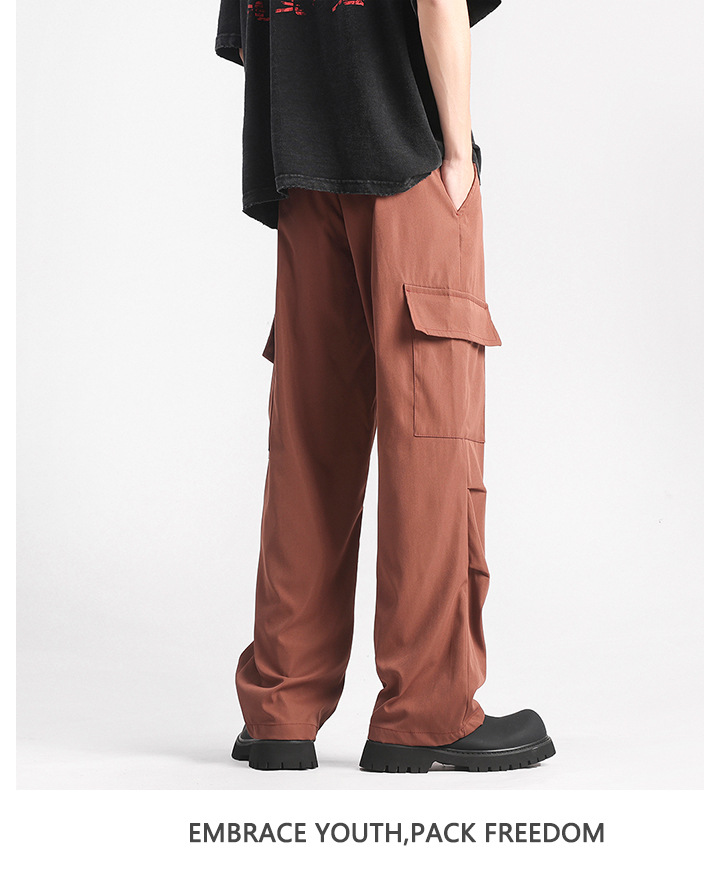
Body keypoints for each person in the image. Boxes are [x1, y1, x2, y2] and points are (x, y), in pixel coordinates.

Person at [214, 0, 555, 774]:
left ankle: (281, 709)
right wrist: (458, 155)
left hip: (302, 169)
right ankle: (426, 710)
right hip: (404, 160)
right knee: (431, 442)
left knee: (309, 445)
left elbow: (252, 33)